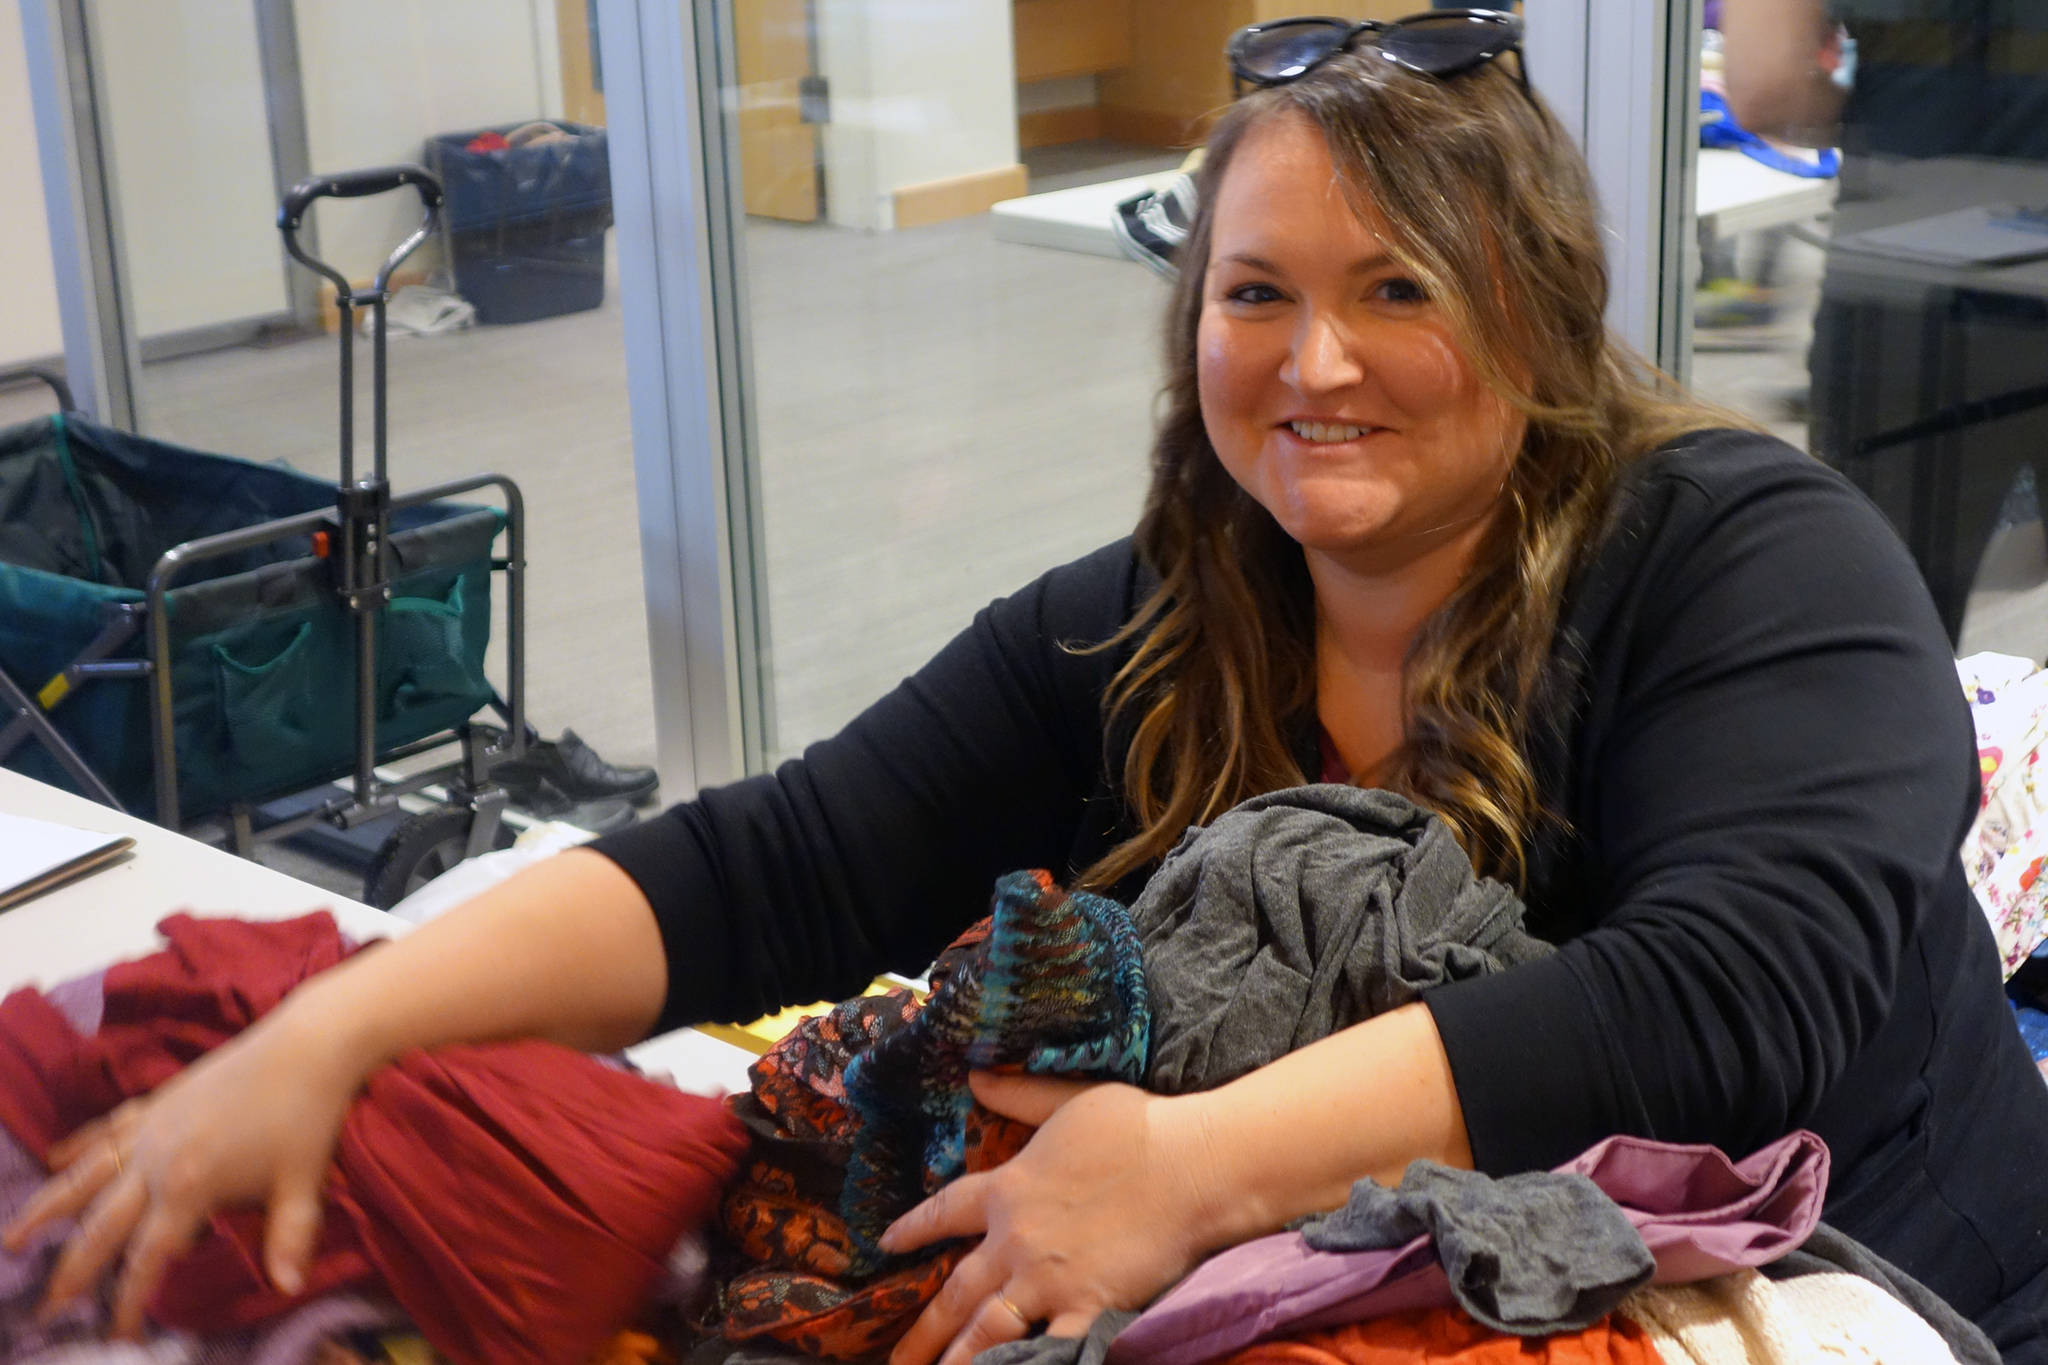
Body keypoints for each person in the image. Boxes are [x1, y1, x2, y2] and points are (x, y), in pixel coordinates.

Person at [10, 11, 2048, 1363]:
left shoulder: (1746, 554)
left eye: (1396, 291)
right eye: (1257, 293)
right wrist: (331, 1026)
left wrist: (1193, 1161)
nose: (1312, 364)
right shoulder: (1172, 615)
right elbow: (776, 860)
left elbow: (1726, 990)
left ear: (1541, 314)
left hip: (1866, 1279)